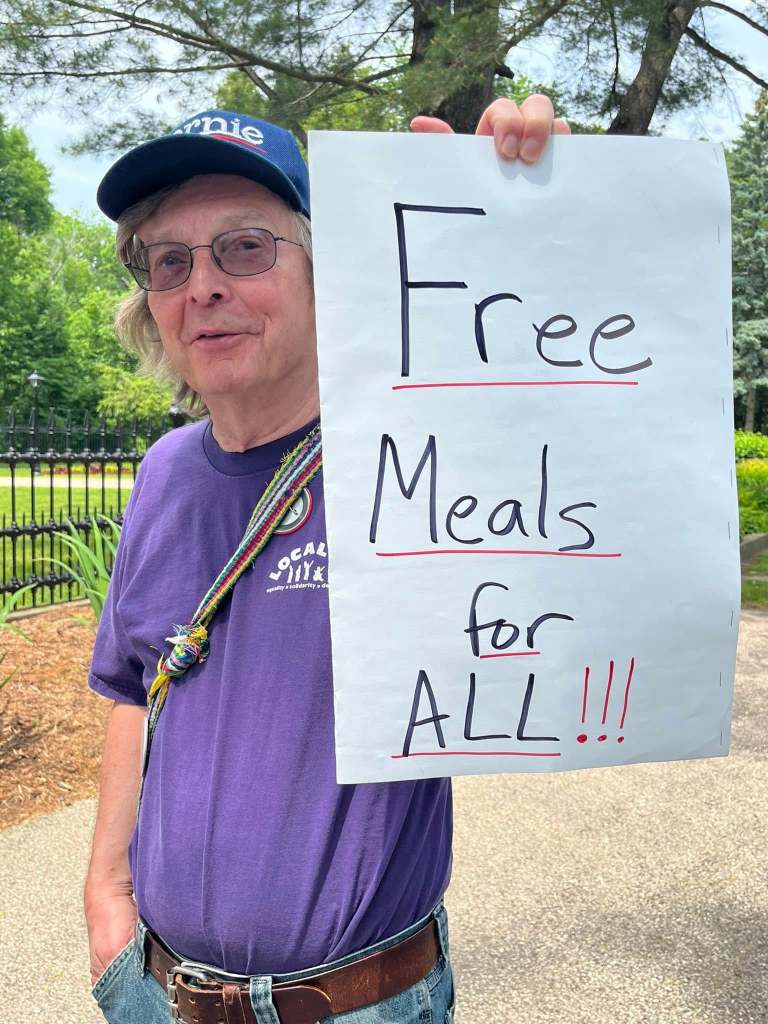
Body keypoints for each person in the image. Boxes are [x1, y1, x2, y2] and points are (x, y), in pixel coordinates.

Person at [84, 96, 569, 1024]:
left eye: (245, 247)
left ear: (325, 272)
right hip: (155, 992)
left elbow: (571, 457)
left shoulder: (425, 458)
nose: (202, 286)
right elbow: (132, 689)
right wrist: (106, 899)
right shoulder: (165, 474)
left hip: (362, 1002)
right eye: (169, 260)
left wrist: (524, 213)